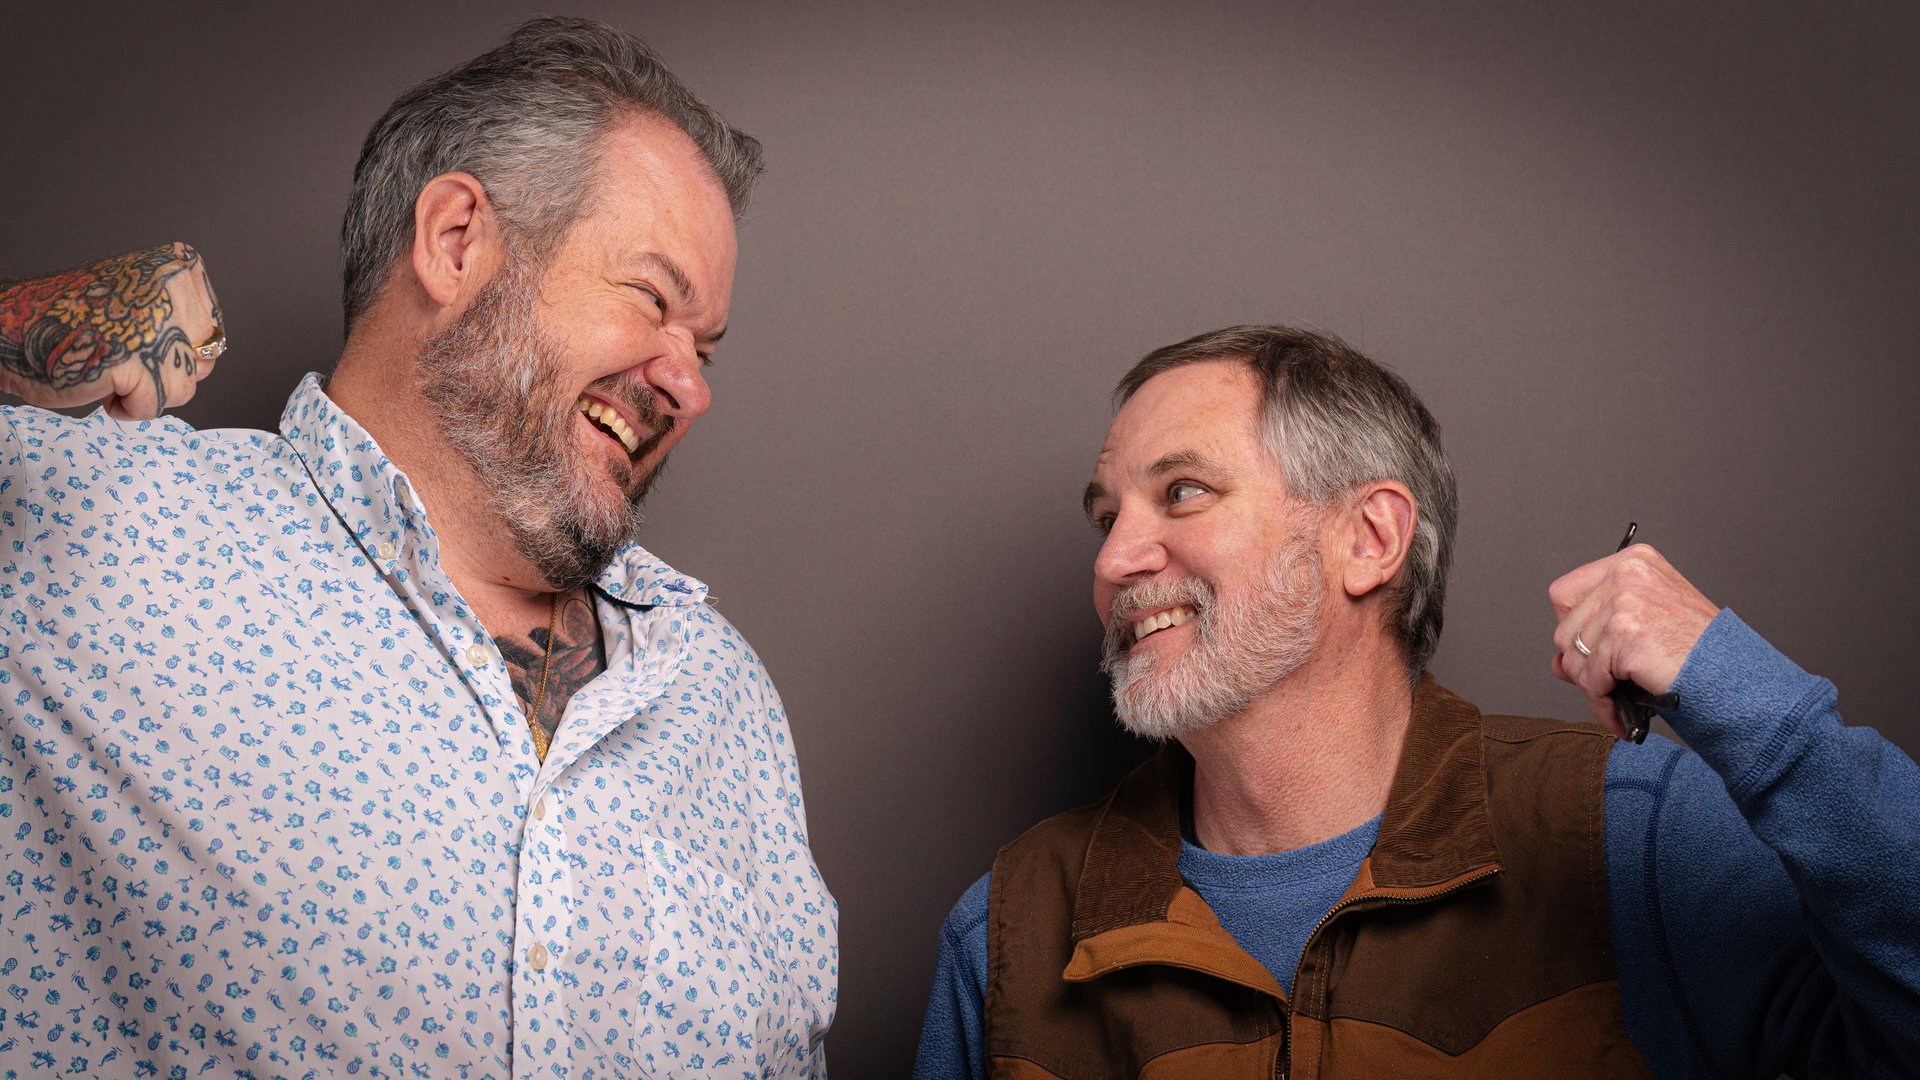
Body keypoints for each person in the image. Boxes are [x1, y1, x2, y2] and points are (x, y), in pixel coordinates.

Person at [0, 18, 835, 1078]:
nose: (690, 385)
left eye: (704, 348)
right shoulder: (97, 526)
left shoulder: (723, 696)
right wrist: (36, 332)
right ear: (454, 241)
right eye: (651, 300)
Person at [913, 326, 1919, 1079]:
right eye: (1107, 515)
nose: (1117, 558)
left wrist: (1748, 698)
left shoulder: (1632, 840)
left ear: (1369, 539)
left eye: (1179, 494)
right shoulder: (1010, 931)